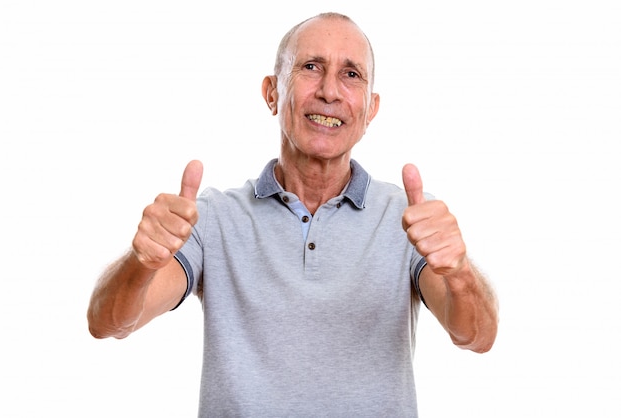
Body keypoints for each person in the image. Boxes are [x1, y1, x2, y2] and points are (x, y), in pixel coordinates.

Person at [87, 12, 499, 417]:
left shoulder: (409, 218)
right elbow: (109, 323)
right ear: (271, 92)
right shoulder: (212, 219)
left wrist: (460, 273)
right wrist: (140, 263)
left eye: (351, 74)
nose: (330, 92)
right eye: (311, 67)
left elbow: (477, 337)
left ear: (370, 109)